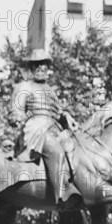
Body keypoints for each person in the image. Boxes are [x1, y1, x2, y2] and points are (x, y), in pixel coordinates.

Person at [8, 49, 80, 206]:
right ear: (32, 68)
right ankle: (62, 195)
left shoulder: (51, 91)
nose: (41, 68)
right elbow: (15, 112)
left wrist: (65, 115)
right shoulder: (24, 87)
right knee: (56, 150)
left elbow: (56, 111)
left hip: (54, 129)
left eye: (44, 65)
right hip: (36, 130)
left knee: (74, 148)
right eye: (37, 65)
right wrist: (18, 117)